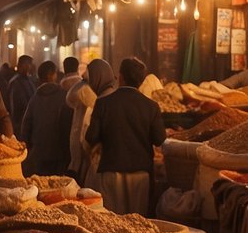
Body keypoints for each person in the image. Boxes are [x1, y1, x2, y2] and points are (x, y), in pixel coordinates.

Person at [85, 58, 165, 215]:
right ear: (141, 81)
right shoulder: (151, 106)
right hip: (141, 176)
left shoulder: (103, 104)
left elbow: (91, 137)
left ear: (120, 77)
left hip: (111, 173)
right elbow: (160, 139)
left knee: (112, 224)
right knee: (139, 224)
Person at [67, 58, 115, 187]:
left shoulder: (106, 99)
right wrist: (83, 83)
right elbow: (70, 98)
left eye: (90, 75)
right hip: (85, 159)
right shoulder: (87, 94)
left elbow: (92, 136)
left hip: (98, 162)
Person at [21, 61, 73, 176]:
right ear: (51, 75)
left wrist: (28, 148)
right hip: (59, 154)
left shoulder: (35, 98)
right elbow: (69, 125)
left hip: (39, 153)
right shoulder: (64, 96)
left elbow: (26, 126)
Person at [7, 55, 37, 137]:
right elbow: (13, 107)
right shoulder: (15, 82)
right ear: (20, 65)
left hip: (30, 121)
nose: (28, 67)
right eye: (26, 64)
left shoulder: (30, 80)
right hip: (20, 123)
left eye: (29, 64)